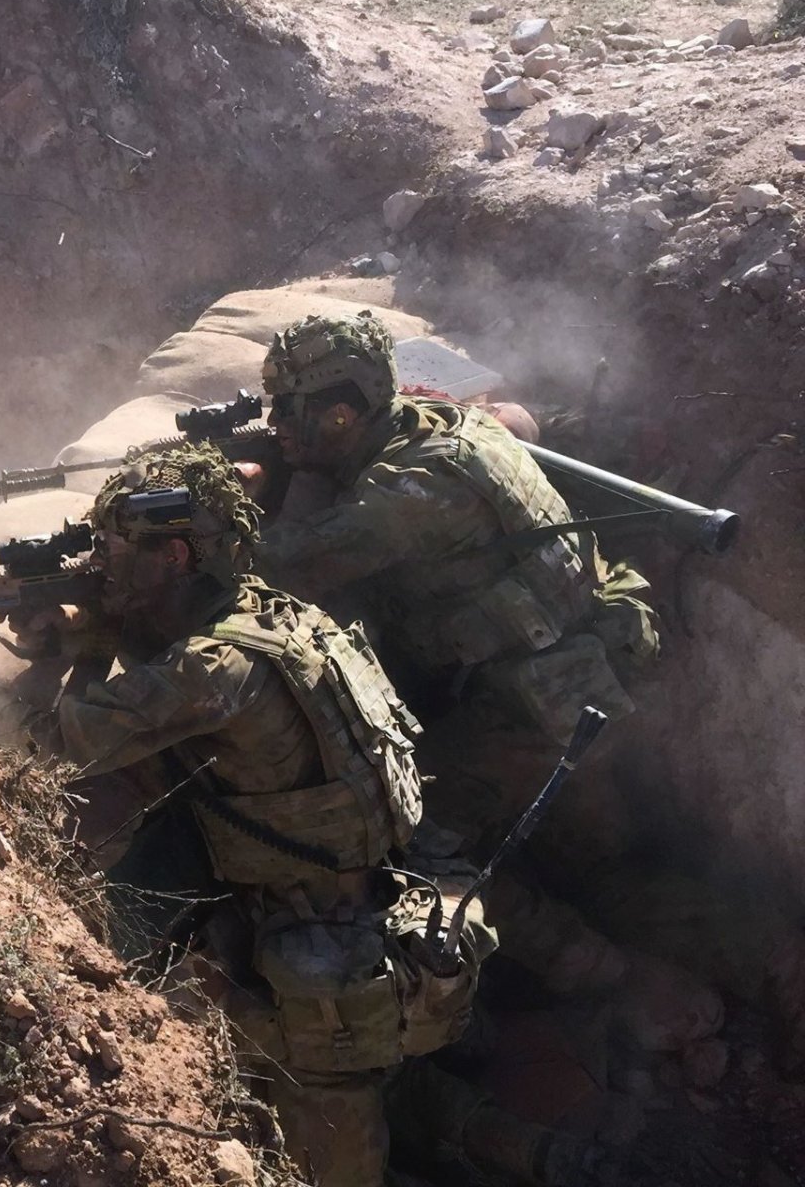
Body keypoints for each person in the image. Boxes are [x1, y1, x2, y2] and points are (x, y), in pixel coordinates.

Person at [0, 442, 490, 1187]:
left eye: (113, 547)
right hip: (352, 907)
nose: (98, 561)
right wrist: (92, 634)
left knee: (334, 1155)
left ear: (176, 555)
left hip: (319, 965)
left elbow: (52, 744)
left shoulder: (214, 671)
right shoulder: (281, 615)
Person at [249, 313, 767, 1066]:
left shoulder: (408, 492)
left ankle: (611, 980)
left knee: (403, 843)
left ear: (342, 412)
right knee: (606, 873)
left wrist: (231, 505)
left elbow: (284, 563)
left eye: (292, 410)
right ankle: (768, 966)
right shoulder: (444, 424)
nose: (279, 426)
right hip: (587, 676)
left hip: (537, 714)